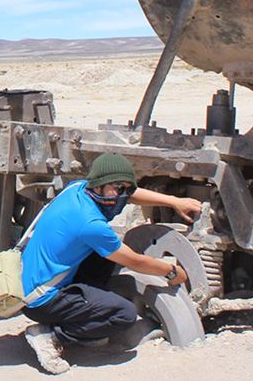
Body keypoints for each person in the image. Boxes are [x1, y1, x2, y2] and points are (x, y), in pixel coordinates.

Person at [20, 152, 202, 374]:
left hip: (32, 278)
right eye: (118, 188)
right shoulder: (90, 223)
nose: (123, 195)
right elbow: (134, 261)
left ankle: (89, 309)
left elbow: (131, 194)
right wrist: (171, 271)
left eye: (126, 188)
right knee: (123, 315)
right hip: (40, 300)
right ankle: (50, 335)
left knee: (105, 253)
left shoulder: (78, 189)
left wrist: (174, 201)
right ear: (99, 186)